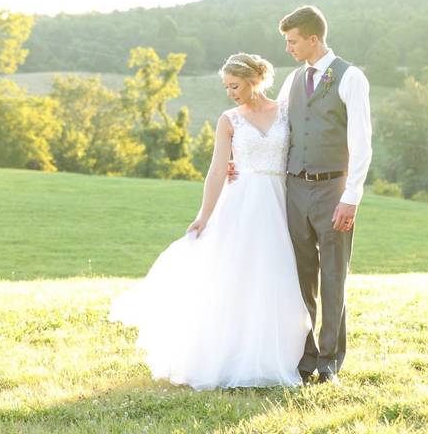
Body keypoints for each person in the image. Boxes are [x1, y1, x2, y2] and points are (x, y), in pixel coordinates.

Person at [109, 52, 311, 390]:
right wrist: (203, 215)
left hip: (280, 203)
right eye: (226, 87)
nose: (230, 92)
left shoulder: (286, 112)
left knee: (277, 277)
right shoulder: (229, 119)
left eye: (234, 85)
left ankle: (278, 354)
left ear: (252, 80)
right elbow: (218, 169)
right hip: (242, 205)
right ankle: (234, 356)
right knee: (238, 278)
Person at [269, 5, 373, 385]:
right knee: (299, 275)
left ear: (313, 38)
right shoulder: (293, 80)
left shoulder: (351, 77)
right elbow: (278, 129)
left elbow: (361, 143)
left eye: (293, 41)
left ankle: (329, 358)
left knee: (333, 274)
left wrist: (352, 196)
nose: (289, 48)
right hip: (295, 187)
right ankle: (305, 353)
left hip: (333, 188)